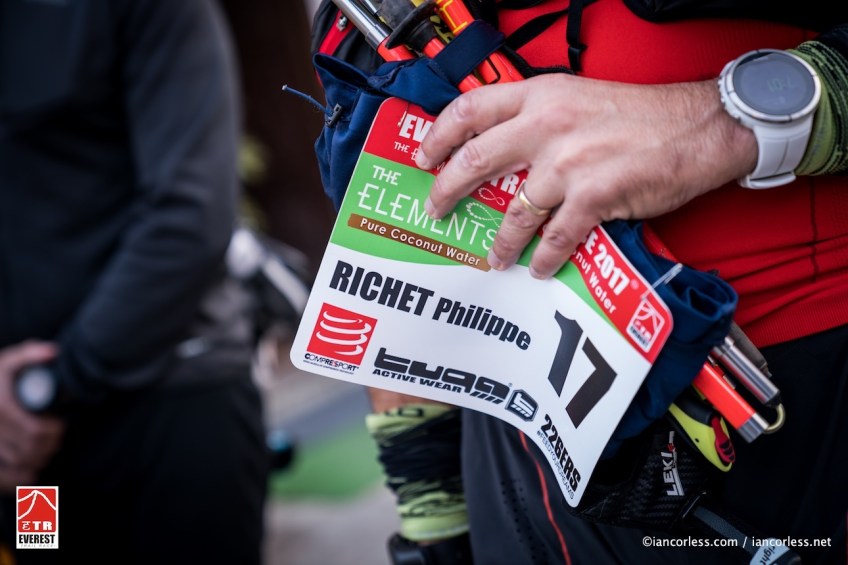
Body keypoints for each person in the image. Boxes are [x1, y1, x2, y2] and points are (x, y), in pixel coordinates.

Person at [310, 0, 847, 563]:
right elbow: (388, 246)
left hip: (787, 403)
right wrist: (433, 514)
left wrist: (719, 122)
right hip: (510, 461)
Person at [0, 1, 270, 563]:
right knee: (41, 550)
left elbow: (191, 213)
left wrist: (53, 384)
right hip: (28, 460)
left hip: (170, 411)